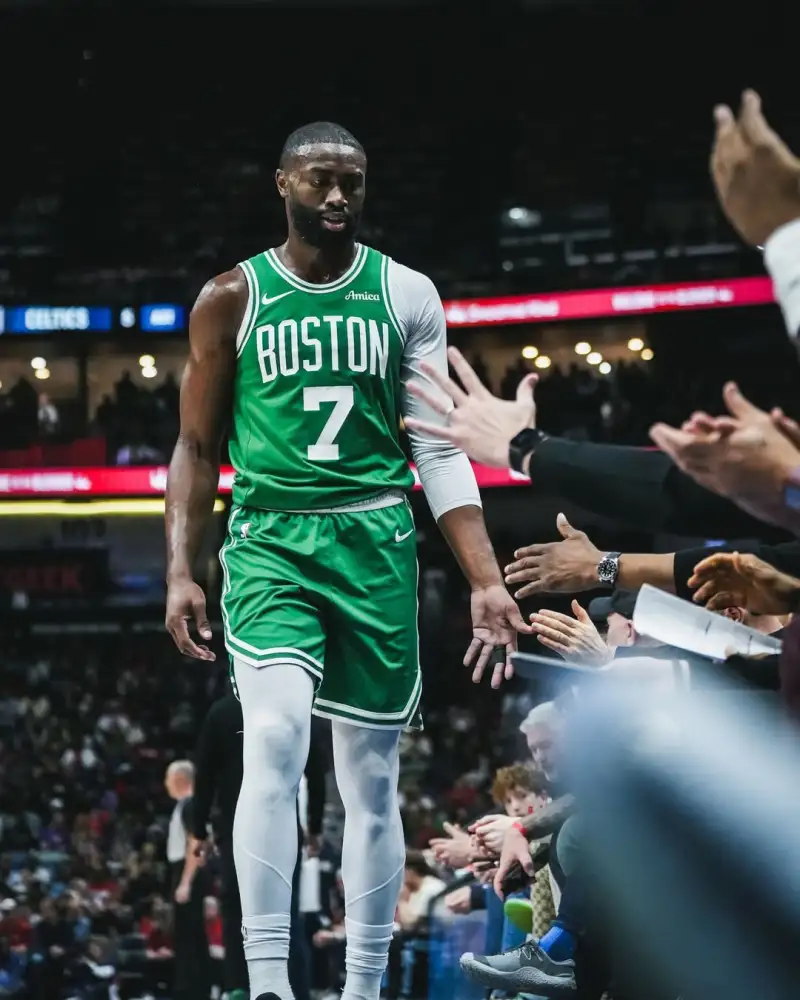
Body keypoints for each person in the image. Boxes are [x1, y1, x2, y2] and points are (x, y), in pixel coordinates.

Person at [164, 120, 527, 1000]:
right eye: (319, 179)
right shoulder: (230, 297)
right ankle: (268, 984)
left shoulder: (405, 293)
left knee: (371, 776)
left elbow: (436, 447)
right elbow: (196, 447)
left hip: (375, 541)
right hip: (271, 540)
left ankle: (364, 986)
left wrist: (485, 578)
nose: (336, 196)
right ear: (282, 184)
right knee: (275, 736)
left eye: (351, 182)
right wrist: (181, 566)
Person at [191, 689, 327, 1000]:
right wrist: (315, 826)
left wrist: (199, 829)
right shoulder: (293, 707)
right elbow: (316, 772)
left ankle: (240, 989)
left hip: (234, 829)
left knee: (237, 912)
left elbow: (204, 776)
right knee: (286, 914)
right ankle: (295, 992)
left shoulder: (221, 712)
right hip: (282, 830)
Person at [164, 760, 211, 1000]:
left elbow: (197, 842)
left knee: (187, 935)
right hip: (184, 869)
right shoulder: (187, 806)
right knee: (190, 933)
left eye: (168, 779)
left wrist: (186, 881)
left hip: (186, 870)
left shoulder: (190, 805)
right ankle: (197, 988)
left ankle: (190, 990)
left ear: (179, 779)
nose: (166, 784)